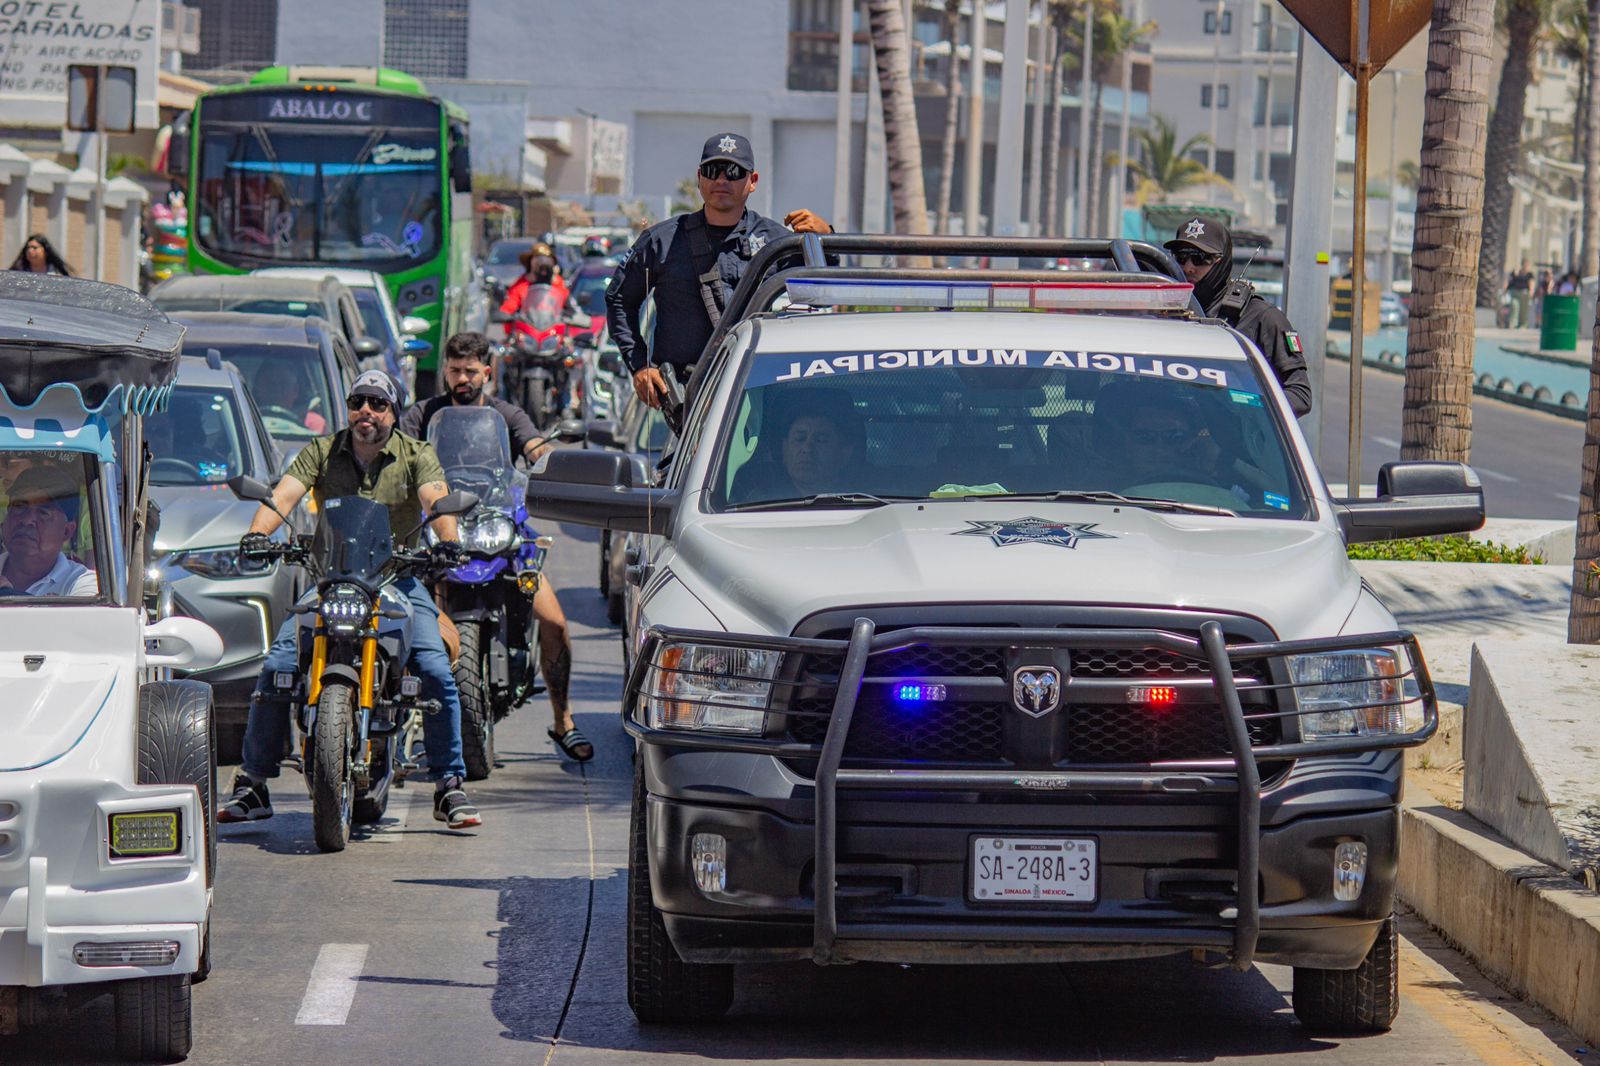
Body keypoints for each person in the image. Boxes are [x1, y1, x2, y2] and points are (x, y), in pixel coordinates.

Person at [221, 370, 483, 830]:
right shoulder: (321, 451)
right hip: (331, 581)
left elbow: (435, 498)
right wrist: (257, 533)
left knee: (437, 670)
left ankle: (448, 785)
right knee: (277, 665)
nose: (367, 412)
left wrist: (448, 539)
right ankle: (253, 784)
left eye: (378, 404)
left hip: (395, 581)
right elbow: (284, 495)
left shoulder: (415, 453)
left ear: (394, 412)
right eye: (359, 401)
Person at [398, 331, 592, 761]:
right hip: (443, 534)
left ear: (488, 371)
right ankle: (406, 720)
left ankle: (563, 720)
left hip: (500, 530)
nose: (461, 379)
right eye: (454, 371)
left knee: (556, 623)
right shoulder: (422, 414)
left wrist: (550, 459)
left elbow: (535, 446)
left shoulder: (507, 414)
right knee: (405, 618)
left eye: (470, 371)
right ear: (445, 371)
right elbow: (396, 453)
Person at [606, 132, 832, 409]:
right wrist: (639, 366)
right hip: (686, 399)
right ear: (699, 177)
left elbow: (824, 292)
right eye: (713, 171)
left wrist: (825, 238)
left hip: (759, 393)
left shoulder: (778, 242)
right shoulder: (662, 240)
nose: (722, 180)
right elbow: (619, 300)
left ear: (753, 181)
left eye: (734, 171)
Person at [1164, 218, 1312, 417]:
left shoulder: (1262, 318)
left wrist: (1241, 403)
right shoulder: (1162, 313)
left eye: (1200, 258)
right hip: (1166, 438)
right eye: (1181, 257)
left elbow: (1300, 395)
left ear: (1221, 261)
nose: (1188, 267)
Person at [0, 464, 96, 596]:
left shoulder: (81, 582)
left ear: (66, 531)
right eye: (19, 506)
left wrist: (8, 595)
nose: (27, 520)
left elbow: (85, 615)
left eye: (43, 513)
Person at [1507, 259, 1535, 329]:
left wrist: (1531, 293)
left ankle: (1523, 325)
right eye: (1524, 264)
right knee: (1514, 306)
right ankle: (1512, 324)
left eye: (1526, 265)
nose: (1525, 266)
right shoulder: (1516, 272)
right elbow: (1509, 280)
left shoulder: (1529, 274)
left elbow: (1531, 283)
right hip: (1515, 292)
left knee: (1523, 310)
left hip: (1524, 293)